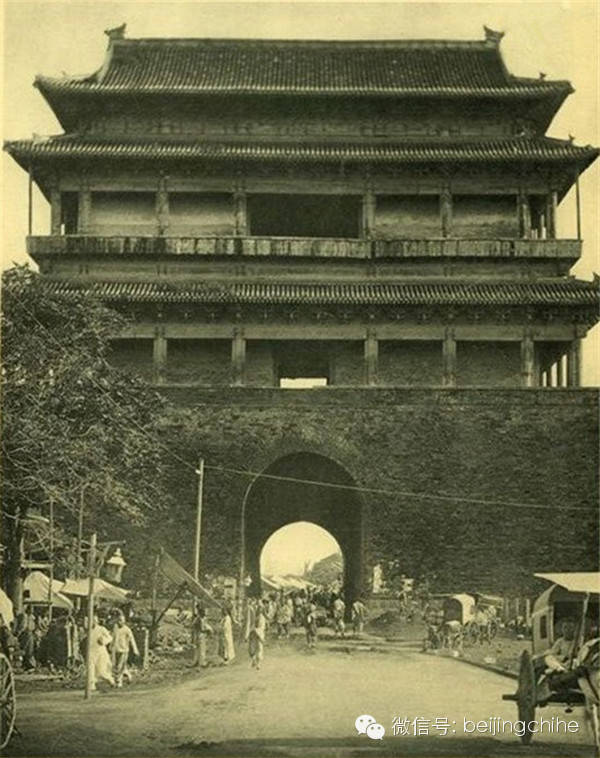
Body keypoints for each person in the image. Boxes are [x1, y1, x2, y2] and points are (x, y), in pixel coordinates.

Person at [111, 611, 139, 687]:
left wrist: (135, 649)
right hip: (116, 649)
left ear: (124, 621)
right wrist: (111, 646)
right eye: (119, 620)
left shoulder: (127, 629)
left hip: (124, 650)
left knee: (119, 666)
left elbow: (132, 640)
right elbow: (113, 637)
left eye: (121, 620)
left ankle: (119, 681)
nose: (120, 622)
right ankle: (129, 675)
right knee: (119, 665)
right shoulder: (115, 628)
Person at [88, 614, 115, 690]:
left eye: (95, 620)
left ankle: (110, 679)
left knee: (101, 672)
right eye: (92, 620)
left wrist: (104, 641)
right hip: (91, 651)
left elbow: (110, 638)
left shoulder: (101, 629)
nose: (93, 622)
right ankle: (92, 685)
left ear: (97, 621)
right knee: (90, 669)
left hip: (101, 652)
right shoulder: (89, 630)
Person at [248, 604, 266, 670]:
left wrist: (257, 633)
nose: (259, 610)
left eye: (260, 609)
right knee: (252, 649)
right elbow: (251, 625)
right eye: (258, 609)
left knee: (259, 649)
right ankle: (254, 661)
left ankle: (258, 664)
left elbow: (261, 627)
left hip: (259, 634)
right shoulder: (254, 617)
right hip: (254, 634)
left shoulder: (262, 618)